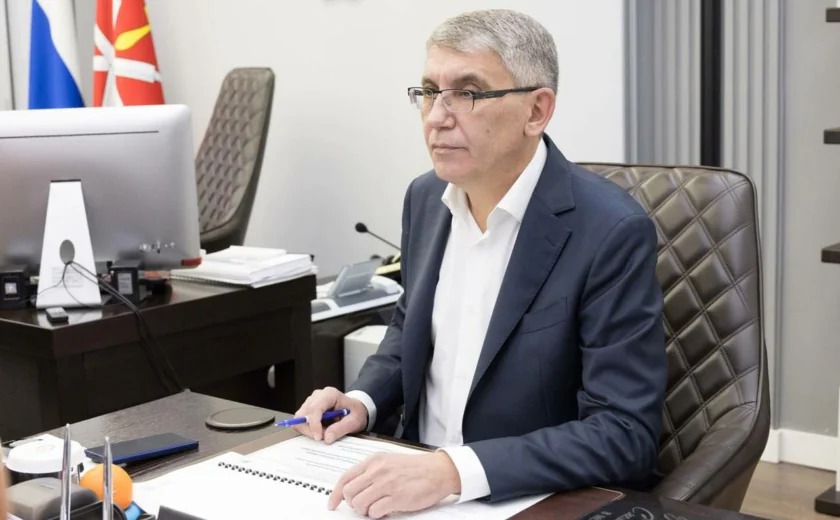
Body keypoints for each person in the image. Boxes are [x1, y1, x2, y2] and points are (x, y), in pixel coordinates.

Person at [295, 9, 667, 519]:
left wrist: (454, 471)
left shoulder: (610, 230)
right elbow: (410, 330)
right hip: (407, 483)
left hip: (525, 499)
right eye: (429, 92)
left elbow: (625, 433)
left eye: (467, 93)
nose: (436, 117)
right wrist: (362, 401)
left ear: (536, 111)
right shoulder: (425, 199)